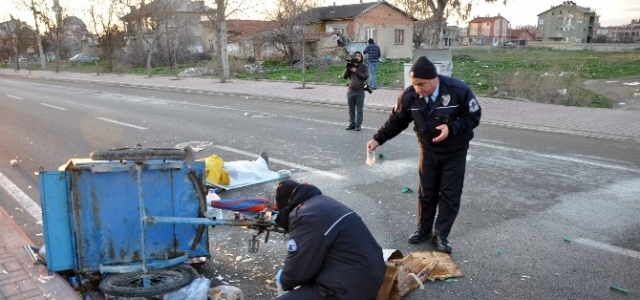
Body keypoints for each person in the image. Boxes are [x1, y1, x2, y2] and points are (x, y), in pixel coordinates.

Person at [365, 56, 481, 254]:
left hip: (455, 151)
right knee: (426, 192)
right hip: (428, 150)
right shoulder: (409, 96)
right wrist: (377, 139)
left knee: (449, 194)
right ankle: (424, 230)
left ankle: (441, 235)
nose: (418, 89)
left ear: (433, 78)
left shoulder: (458, 91)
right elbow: (397, 120)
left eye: (421, 84)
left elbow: (473, 117)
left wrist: (451, 128)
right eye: (414, 84)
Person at [273, 179, 385, 300]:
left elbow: (297, 272)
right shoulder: (323, 202)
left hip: (349, 290)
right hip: (372, 276)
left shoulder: (303, 216)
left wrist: (284, 279)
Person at [342, 51, 369, 131]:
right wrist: (348, 68)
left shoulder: (364, 67)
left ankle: (358, 125)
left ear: (361, 57)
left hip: (360, 91)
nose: (357, 57)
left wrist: (356, 71)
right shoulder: (351, 66)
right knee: (351, 109)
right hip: (351, 91)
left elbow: (365, 77)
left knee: (359, 110)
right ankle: (352, 124)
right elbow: (344, 77)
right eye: (356, 56)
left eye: (359, 56)